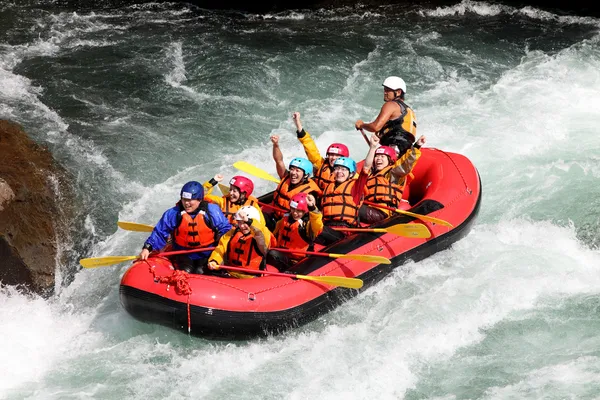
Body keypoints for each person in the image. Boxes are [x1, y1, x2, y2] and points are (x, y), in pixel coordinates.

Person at [139, 181, 232, 274]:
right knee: (185, 272)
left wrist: (221, 250)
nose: (186, 203)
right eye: (184, 199)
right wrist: (148, 247)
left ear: (199, 199)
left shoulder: (212, 210)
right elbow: (160, 232)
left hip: (208, 252)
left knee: (201, 271)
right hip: (183, 253)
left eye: (190, 200)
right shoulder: (174, 213)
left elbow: (226, 230)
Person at [316, 133, 379, 246]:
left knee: (319, 230)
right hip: (327, 228)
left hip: (344, 232)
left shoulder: (355, 186)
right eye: (337, 169)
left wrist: (373, 147)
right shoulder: (328, 188)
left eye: (343, 170)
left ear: (350, 174)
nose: (339, 172)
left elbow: (366, 168)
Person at [360, 135, 426, 224]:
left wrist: (417, 146)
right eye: (377, 156)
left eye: (382, 157)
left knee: (351, 208)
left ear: (390, 160)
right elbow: (365, 167)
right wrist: (373, 147)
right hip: (370, 209)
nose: (379, 159)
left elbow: (406, 163)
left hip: (382, 213)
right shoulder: (371, 175)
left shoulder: (393, 173)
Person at [355, 76, 417, 156]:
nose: (385, 92)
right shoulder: (408, 110)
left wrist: (362, 125)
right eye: (384, 90)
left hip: (395, 146)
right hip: (406, 149)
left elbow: (375, 127)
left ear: (398, 92)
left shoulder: (391, 105)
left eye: (388, 90)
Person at [207, 206, 274, 279]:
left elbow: (261, 234)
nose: (242, 226)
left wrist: (250, 221)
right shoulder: (232, 233)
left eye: (245, 223)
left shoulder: (261, 235)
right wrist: (214, 261)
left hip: (251, 278)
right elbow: (221, 248)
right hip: (230, 273)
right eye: (239, 222)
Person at [269, 135, 322, 224]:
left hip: (291, 221)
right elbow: (279, 161)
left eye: (297, 171)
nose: (293, 173)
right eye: (292, 169)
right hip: (274, 216)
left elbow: (311, 213)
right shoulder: (286, 177)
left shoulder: (310, 193)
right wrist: (276, 145)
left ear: (305, 175)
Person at [292, 111, 350, 190]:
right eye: (331, 155)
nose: (333, 158)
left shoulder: (350, 174)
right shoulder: (321, 164)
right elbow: (309, 146)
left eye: (337, 156)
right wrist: (298, 124)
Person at [267, 193, 323, 271]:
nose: (295, 213)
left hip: (297, 262)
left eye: (299, 211)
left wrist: (312, 208)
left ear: (305, 211)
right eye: (293, 209)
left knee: (273, 254)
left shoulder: (307, 225)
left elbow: (318, 225)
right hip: (282, 254)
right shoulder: (284, 220)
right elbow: (273, 236)